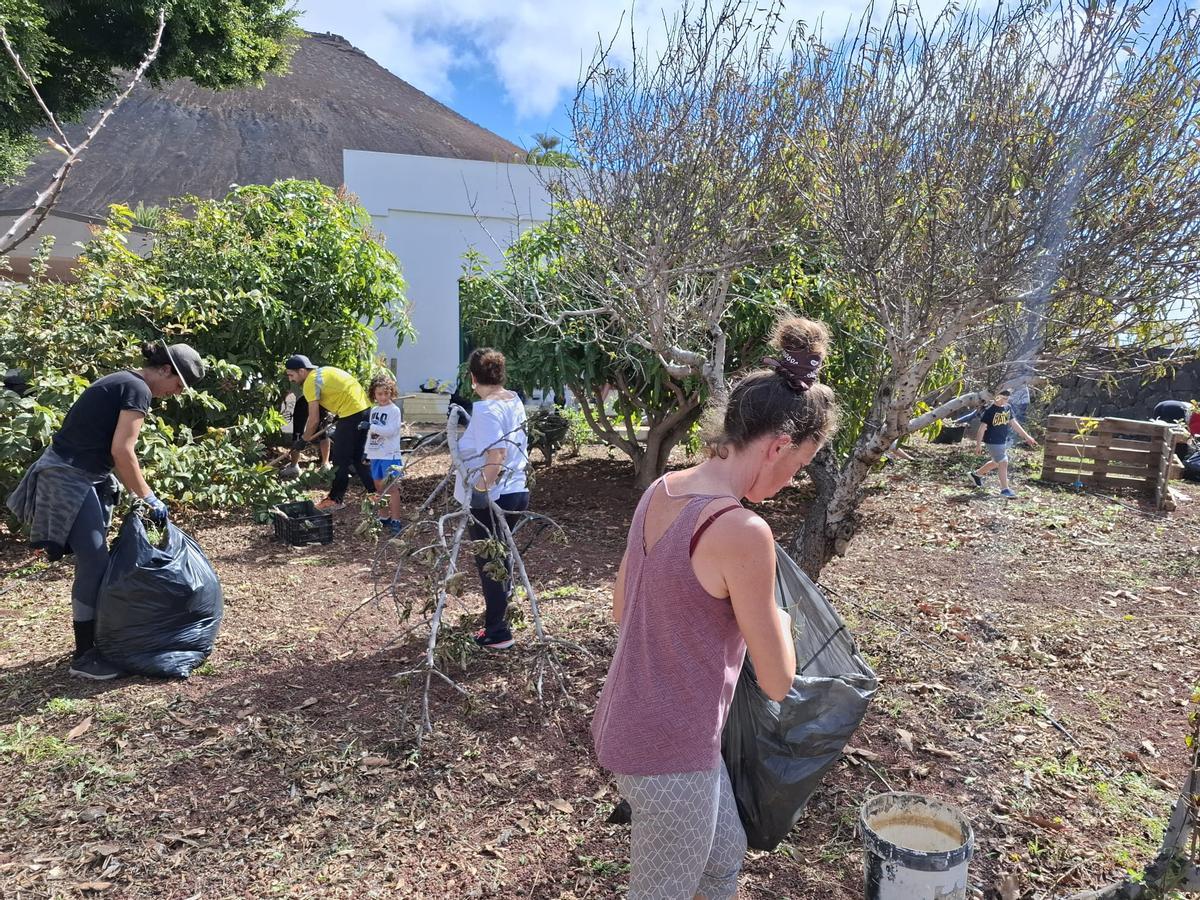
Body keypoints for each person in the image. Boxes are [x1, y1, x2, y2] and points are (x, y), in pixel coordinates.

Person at [590, 316, 839, 900]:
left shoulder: (661, 489)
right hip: (670, 754)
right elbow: (778, 681)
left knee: (723, 858)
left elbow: (623, 610)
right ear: (777, 446)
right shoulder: (743, 531)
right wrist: (781, 619)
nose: (790, 482)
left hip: (632, 722)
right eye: (796, 468)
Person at [6, 341, 206, 680]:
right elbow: (122, 451)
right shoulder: (137, 389)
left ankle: (99, 639)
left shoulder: (124, 381)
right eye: (178, 385)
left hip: (82, 475)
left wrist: (138, 492)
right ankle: (84, 657)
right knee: (94, 563)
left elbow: (108, 448)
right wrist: (148, 496)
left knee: (96, 561)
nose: (175, 393)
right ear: (166, 370)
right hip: (68, 476)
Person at [453, 348, 529, 651]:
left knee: (490, 563)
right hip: (517, 490)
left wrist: (480, 492)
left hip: (495, 496)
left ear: (473, 377)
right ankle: (500, 616)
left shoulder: (486, 409)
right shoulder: (513, 399)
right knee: (501, 559)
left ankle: (498, 632)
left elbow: (496, 455)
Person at [284, 355, 374, 512]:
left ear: (302, 371)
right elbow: (342, 390)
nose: (291, 379)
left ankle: (335, 499)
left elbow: (313, 420)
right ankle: (376, 493)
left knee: (340, 460)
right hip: (364, 410)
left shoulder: (310, 382)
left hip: (351, 414)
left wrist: (303, 440)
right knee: (358, 457)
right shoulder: (324, 371)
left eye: (291, 375)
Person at [969, 389, 1038, 498]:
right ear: (997, 397)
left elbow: (1014, 423)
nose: (1005, 401)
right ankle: (1005, 490)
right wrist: (978, 445)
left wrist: (1027, 437)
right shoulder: (990, 410)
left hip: (1002, 440)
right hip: (991, 441)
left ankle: (976, 475)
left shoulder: (1007, 408)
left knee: (996, 462)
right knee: (1003, 461)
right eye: (1003, 398)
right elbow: (982, 429)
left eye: (1007, 399)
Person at [365, 373, 405, 532]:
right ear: (374, 394)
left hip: (390, 455)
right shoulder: (374, 410)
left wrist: (371, 427)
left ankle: (396, 520)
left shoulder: (394, 410)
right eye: (379, 394)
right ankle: (383, 517)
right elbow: (372, 434)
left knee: (392, 488)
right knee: (379, 488)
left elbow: (390, 431)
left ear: (391, 392)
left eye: (386, 393)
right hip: (376, 455)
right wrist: (367, 451)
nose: (383, 397)